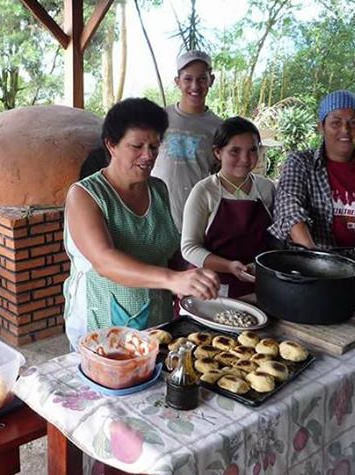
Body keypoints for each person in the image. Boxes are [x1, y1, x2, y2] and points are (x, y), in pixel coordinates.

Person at [64, 98, 220, 349]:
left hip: (157, 317)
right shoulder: (85, 195)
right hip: (103, 319)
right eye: (137, 146)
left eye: (154, 147)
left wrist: (188, 276)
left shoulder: (158, 189)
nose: (148, 156)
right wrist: (172, 279)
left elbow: (165, 249)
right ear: (111, 145)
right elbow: (104, 261)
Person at [270, 90, 355, 250]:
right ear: (321, 126)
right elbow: (289, 211)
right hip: (309, 265)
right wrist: (316, 257)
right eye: (336, 123)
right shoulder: (301, 163)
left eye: (353, 122)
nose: (345, 130)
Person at [181, 116, 276, 298]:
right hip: (209, 287)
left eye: (252, 150)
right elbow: (189, 248)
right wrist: (229, 266)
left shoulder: (266, 189)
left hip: (255, 287)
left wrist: (258, 266)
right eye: (235, 151)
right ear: (218, 152)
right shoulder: (204, 191)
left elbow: (274, 241)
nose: (245, 159)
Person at [151, 50, 223, 231]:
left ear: (211, 80)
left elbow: (219, 173)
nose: (195, 86)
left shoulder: (219, 127)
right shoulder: (158, 118)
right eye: (188, 79)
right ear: (177, 81)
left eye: (202, 79)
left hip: (197, 214)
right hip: (156, 212)